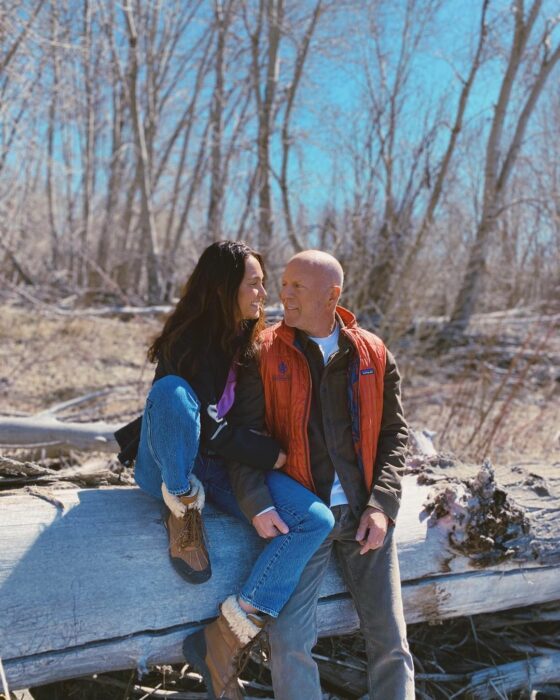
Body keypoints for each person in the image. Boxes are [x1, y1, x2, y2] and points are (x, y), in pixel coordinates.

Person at [115, 241, 334, 700]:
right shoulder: (185, 341)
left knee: (314, 520)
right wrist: (258, 451)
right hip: (166, 465)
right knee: (173, 394)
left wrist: (262, 466)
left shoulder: (254, 347)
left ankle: (225, 636)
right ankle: (183, 512)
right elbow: (200, 428)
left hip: (219, 470)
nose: (263, 292)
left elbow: (238, 429)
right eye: (253, 283)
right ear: (224, 288)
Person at [227, 250, 415, 699]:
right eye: (284, 283)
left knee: (390, 640)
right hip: (301, 519)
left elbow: (394, 435)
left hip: (363, 515)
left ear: (332, 295)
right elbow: (242, 437)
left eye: (297, 286)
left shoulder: (373, 352)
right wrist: (256, 501)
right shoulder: (263, 351)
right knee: (289, 641)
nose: (283, 294)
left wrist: (382, 506)